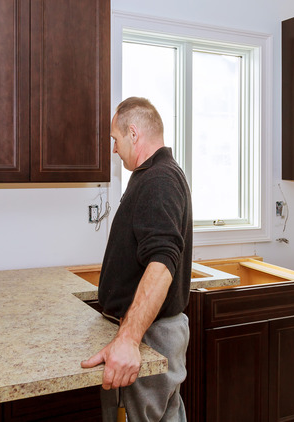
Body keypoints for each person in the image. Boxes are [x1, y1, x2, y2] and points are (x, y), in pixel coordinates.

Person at [81, 97, 193, 421]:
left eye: (115, 139)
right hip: (152, 330)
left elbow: (162, 262)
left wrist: (129, 339)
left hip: (151, 334)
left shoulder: (159, 180)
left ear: (133, 133)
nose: (114, 149)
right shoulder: (154, 175)